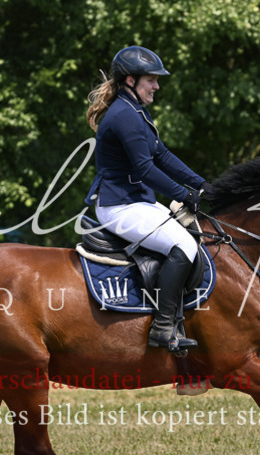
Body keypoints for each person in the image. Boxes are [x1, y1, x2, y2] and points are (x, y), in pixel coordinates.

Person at [85, 45, 206, 354]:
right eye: (151, 80)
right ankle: (163, 328)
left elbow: (161, 155)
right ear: (130, 80)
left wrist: (202, 185)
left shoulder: (136, 110)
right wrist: (183, 195)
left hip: (137, 201)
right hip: (119, 206)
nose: (156, 86)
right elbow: (145, 169)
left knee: (194, 234)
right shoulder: (124, 115)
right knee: (184, 245)